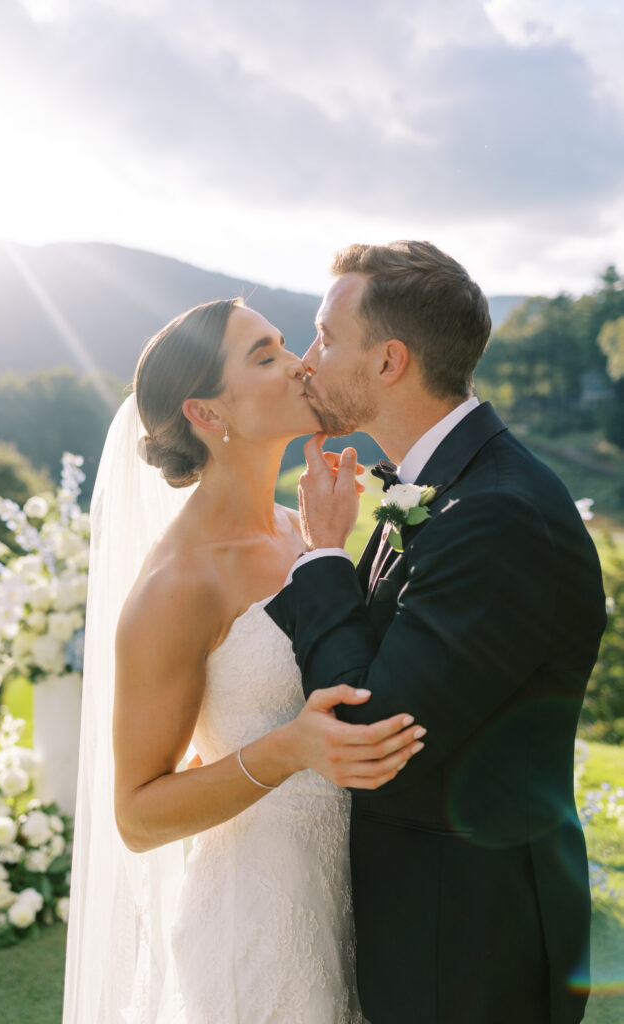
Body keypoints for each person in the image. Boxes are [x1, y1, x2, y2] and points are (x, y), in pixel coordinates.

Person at [266, 241, 607, 1024]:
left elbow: (369, 727)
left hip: (470, 939)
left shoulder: (496, 514)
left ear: (388, 361)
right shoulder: (443, 485)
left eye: (324, 337)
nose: (306, 360)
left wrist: (322, 552)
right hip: (434, 919)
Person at [62, 297, 426, 1023]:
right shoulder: (177, 585)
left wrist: (330, 545)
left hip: (353, 898)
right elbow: (136, 815)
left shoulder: (301, 527)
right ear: (207, 414)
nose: (298, 365)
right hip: (257, 929)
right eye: (264, 356)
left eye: (286, 344)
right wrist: (288, 748)